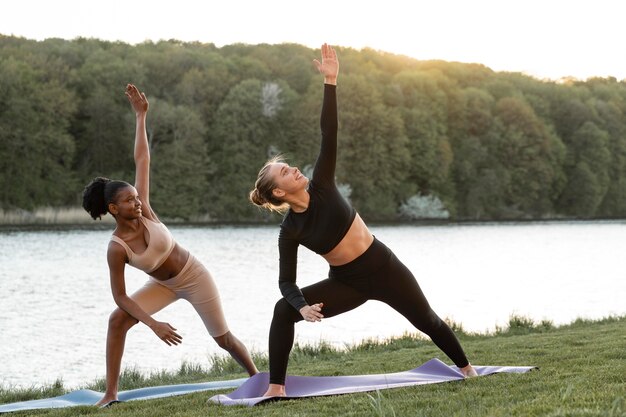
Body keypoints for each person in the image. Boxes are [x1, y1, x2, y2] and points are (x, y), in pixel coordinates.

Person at [249, 44, 477, 397]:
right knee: (283, 311)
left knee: (427, 320)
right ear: (278, 193)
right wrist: (302, 307)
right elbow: (286, 283)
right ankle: (276, 389)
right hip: (348, 283)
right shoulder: (290, 230)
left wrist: (331, 82)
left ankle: (468, 369)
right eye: (285, 171)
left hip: (383, 266)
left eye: (289, 165)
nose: (294, 168)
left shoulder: (321, 183)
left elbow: (329, 133)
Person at [82, 84, 258, 406]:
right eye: (129, 201)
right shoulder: (117, 247)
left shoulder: (145, 209)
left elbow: (142, 158)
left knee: (224, 340)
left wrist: (140, 116)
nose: (137, 202)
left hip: (194, 275)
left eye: (137, 197)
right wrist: (153, 324)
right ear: (113, 209)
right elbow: (120, 297)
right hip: (162, 285)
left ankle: (258, 379)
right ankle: (110, 394)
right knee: (116, 319)